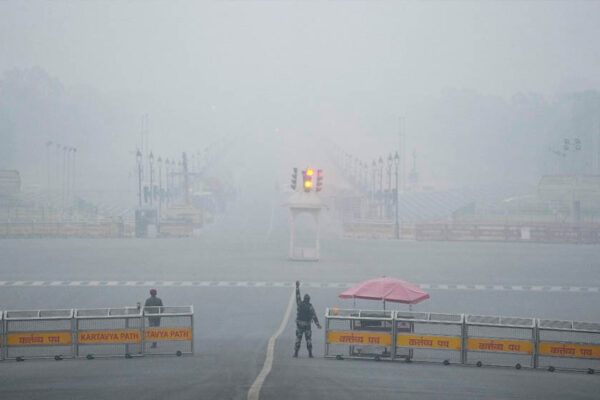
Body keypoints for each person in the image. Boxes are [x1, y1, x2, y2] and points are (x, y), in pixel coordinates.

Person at [294, 280, 321, 358]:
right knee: (308, 339)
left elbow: (297, 296)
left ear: (304, 299)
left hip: (299, 324)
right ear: (309, 299)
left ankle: (296, 352)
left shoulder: (300, 304)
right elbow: (314, 316)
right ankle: (310, 353)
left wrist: (297, 287)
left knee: (298, 338)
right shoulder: (310, 306)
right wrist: (318, 325)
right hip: (307, 325)